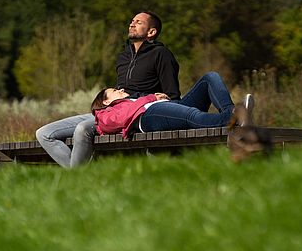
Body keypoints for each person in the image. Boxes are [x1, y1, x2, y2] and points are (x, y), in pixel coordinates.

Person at [36, 11, 180, 168]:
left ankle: (77, 178)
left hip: (136, 114)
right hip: (110, 112)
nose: (132, 24)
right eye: (132, 20)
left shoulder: (161, 54)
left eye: (139, 22)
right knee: (44, 133)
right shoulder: (123, 56)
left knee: (82, 128)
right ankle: (80, 174)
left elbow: (171, 94)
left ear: (152, 32)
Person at [91, 77, 243, 137]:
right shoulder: (105, 114)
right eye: (115, 91)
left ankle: (231, 112)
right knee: (192, 115)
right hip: (147, 116)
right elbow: (121, 120)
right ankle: (232, 118)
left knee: (209, 78)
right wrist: (151, 98)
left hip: (165, 106)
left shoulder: (132, 100)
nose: (121, 90)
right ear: (105, 101)